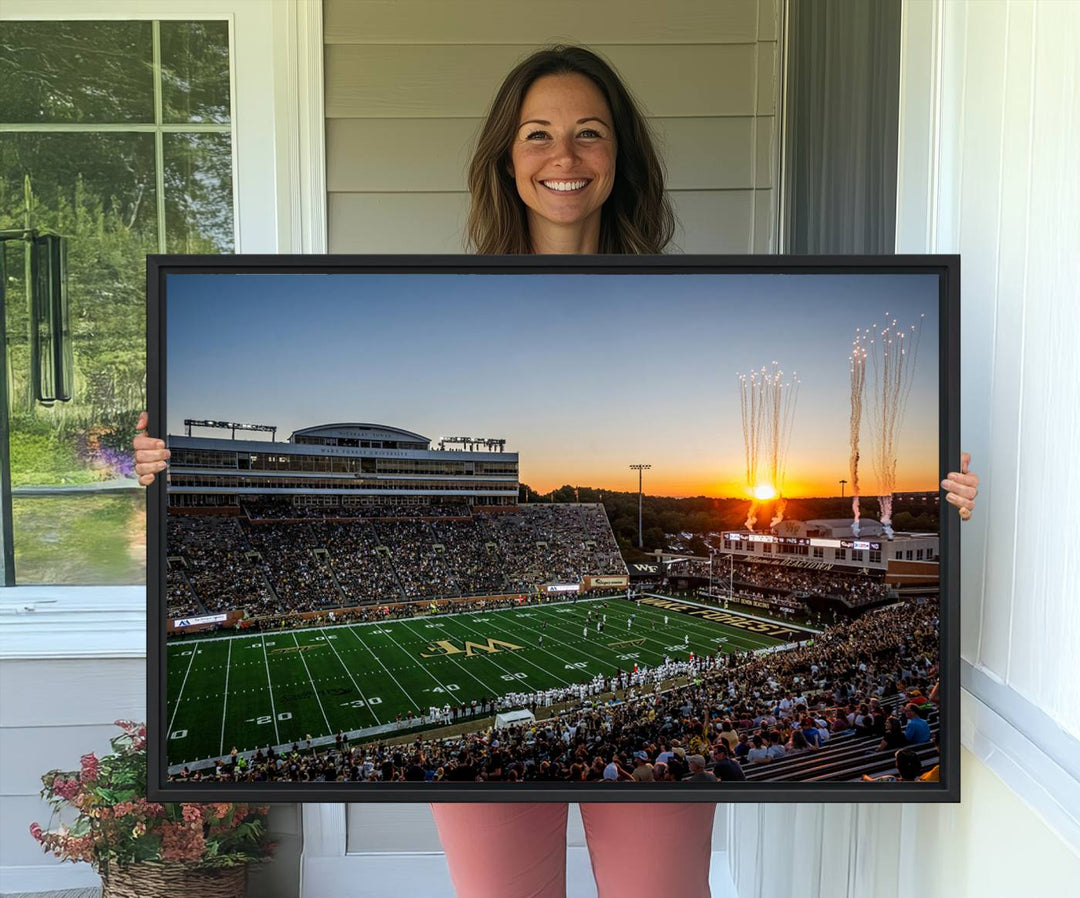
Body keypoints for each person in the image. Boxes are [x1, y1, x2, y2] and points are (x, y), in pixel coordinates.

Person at [135, 43, 980, 898]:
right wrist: (167, 468)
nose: (563, 157)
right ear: (507, 158)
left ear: (621, 158)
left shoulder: (678, 297)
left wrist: (942, 508)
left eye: (590, 133)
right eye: (537, 134)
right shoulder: (451, 297)